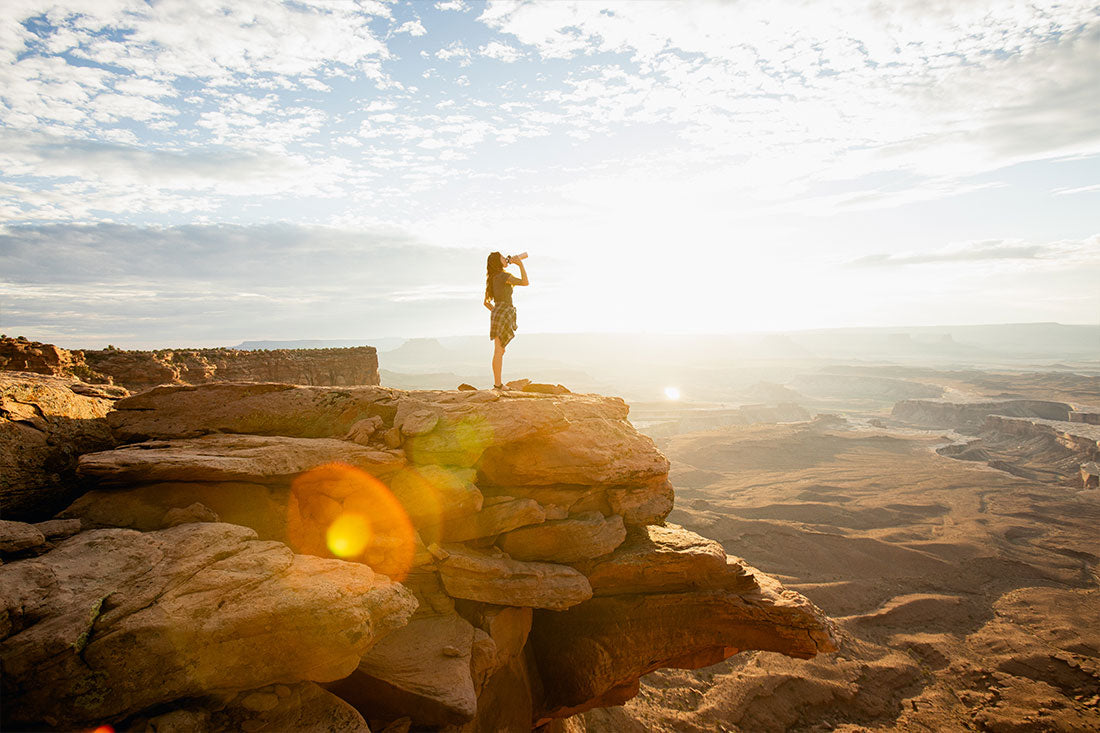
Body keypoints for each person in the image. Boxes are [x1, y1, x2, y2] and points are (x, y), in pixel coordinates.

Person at [484, 251, 528, 389]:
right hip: (504, 311)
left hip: (497, 312)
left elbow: (486, 302)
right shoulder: (504, 276)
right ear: (499, 262)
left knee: (499, 350)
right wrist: (520, 265)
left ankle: (498, 384)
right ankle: (498, 385)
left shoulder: (493, 278)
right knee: (499, 351)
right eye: (503, 257)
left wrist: (496, 311)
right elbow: (525, 282)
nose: (505, 258)